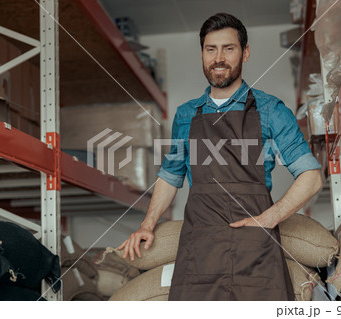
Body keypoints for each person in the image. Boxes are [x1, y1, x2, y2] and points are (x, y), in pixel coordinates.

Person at [117, 13, 322, 301]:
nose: (219, 58)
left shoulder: (271, 110)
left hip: (255, 249)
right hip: (200, 246)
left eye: (229, 48)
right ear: (202, 54)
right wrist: (147, 225)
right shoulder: (187, 115)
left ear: (245, 53)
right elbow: (170, 175)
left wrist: (270, 218)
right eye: (210, 49)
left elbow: (311, 176)